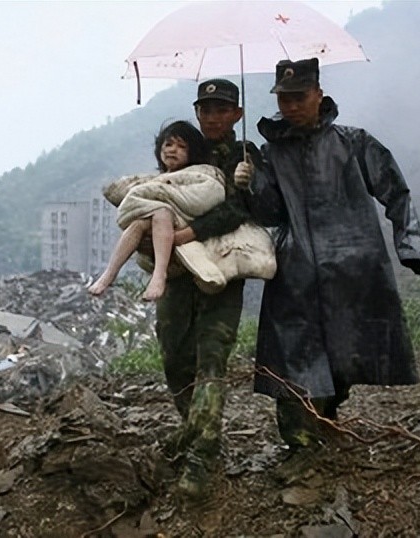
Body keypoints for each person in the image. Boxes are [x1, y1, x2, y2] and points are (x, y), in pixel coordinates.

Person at [234, 58, 420, 460]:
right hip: (295, 271)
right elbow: (270, 212)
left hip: (353, 268)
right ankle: (301, 443)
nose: (290, 106)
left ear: (318, 94)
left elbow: (395, 190)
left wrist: (410, 245)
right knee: (294, 359)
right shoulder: (271, 154)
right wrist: (250, 182)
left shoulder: (353, 142)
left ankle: (326, 423)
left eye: (298, 97)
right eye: (283, 98)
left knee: (344, 354)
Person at [155, 79, 262, 499]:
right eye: (206, 110)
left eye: (221, 110)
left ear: (236, 114)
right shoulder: (188, 150)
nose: (213, 117)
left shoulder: (246, 155)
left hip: (222, 273)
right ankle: (191, 429)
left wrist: (247, 182)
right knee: (174, 355)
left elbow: (243, 210)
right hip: (180, 276)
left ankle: (203, 454)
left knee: (211, 360)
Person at [88, 120, 216, 301]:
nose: (172, 150)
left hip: (180, 223)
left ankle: (159, 274)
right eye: (168, 144)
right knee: (138, 223)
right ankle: (109, 274)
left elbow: (195, 199)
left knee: (161, 212)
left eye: (181, 147)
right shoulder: (156, 180)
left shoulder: (198, 176)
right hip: (155, 225)